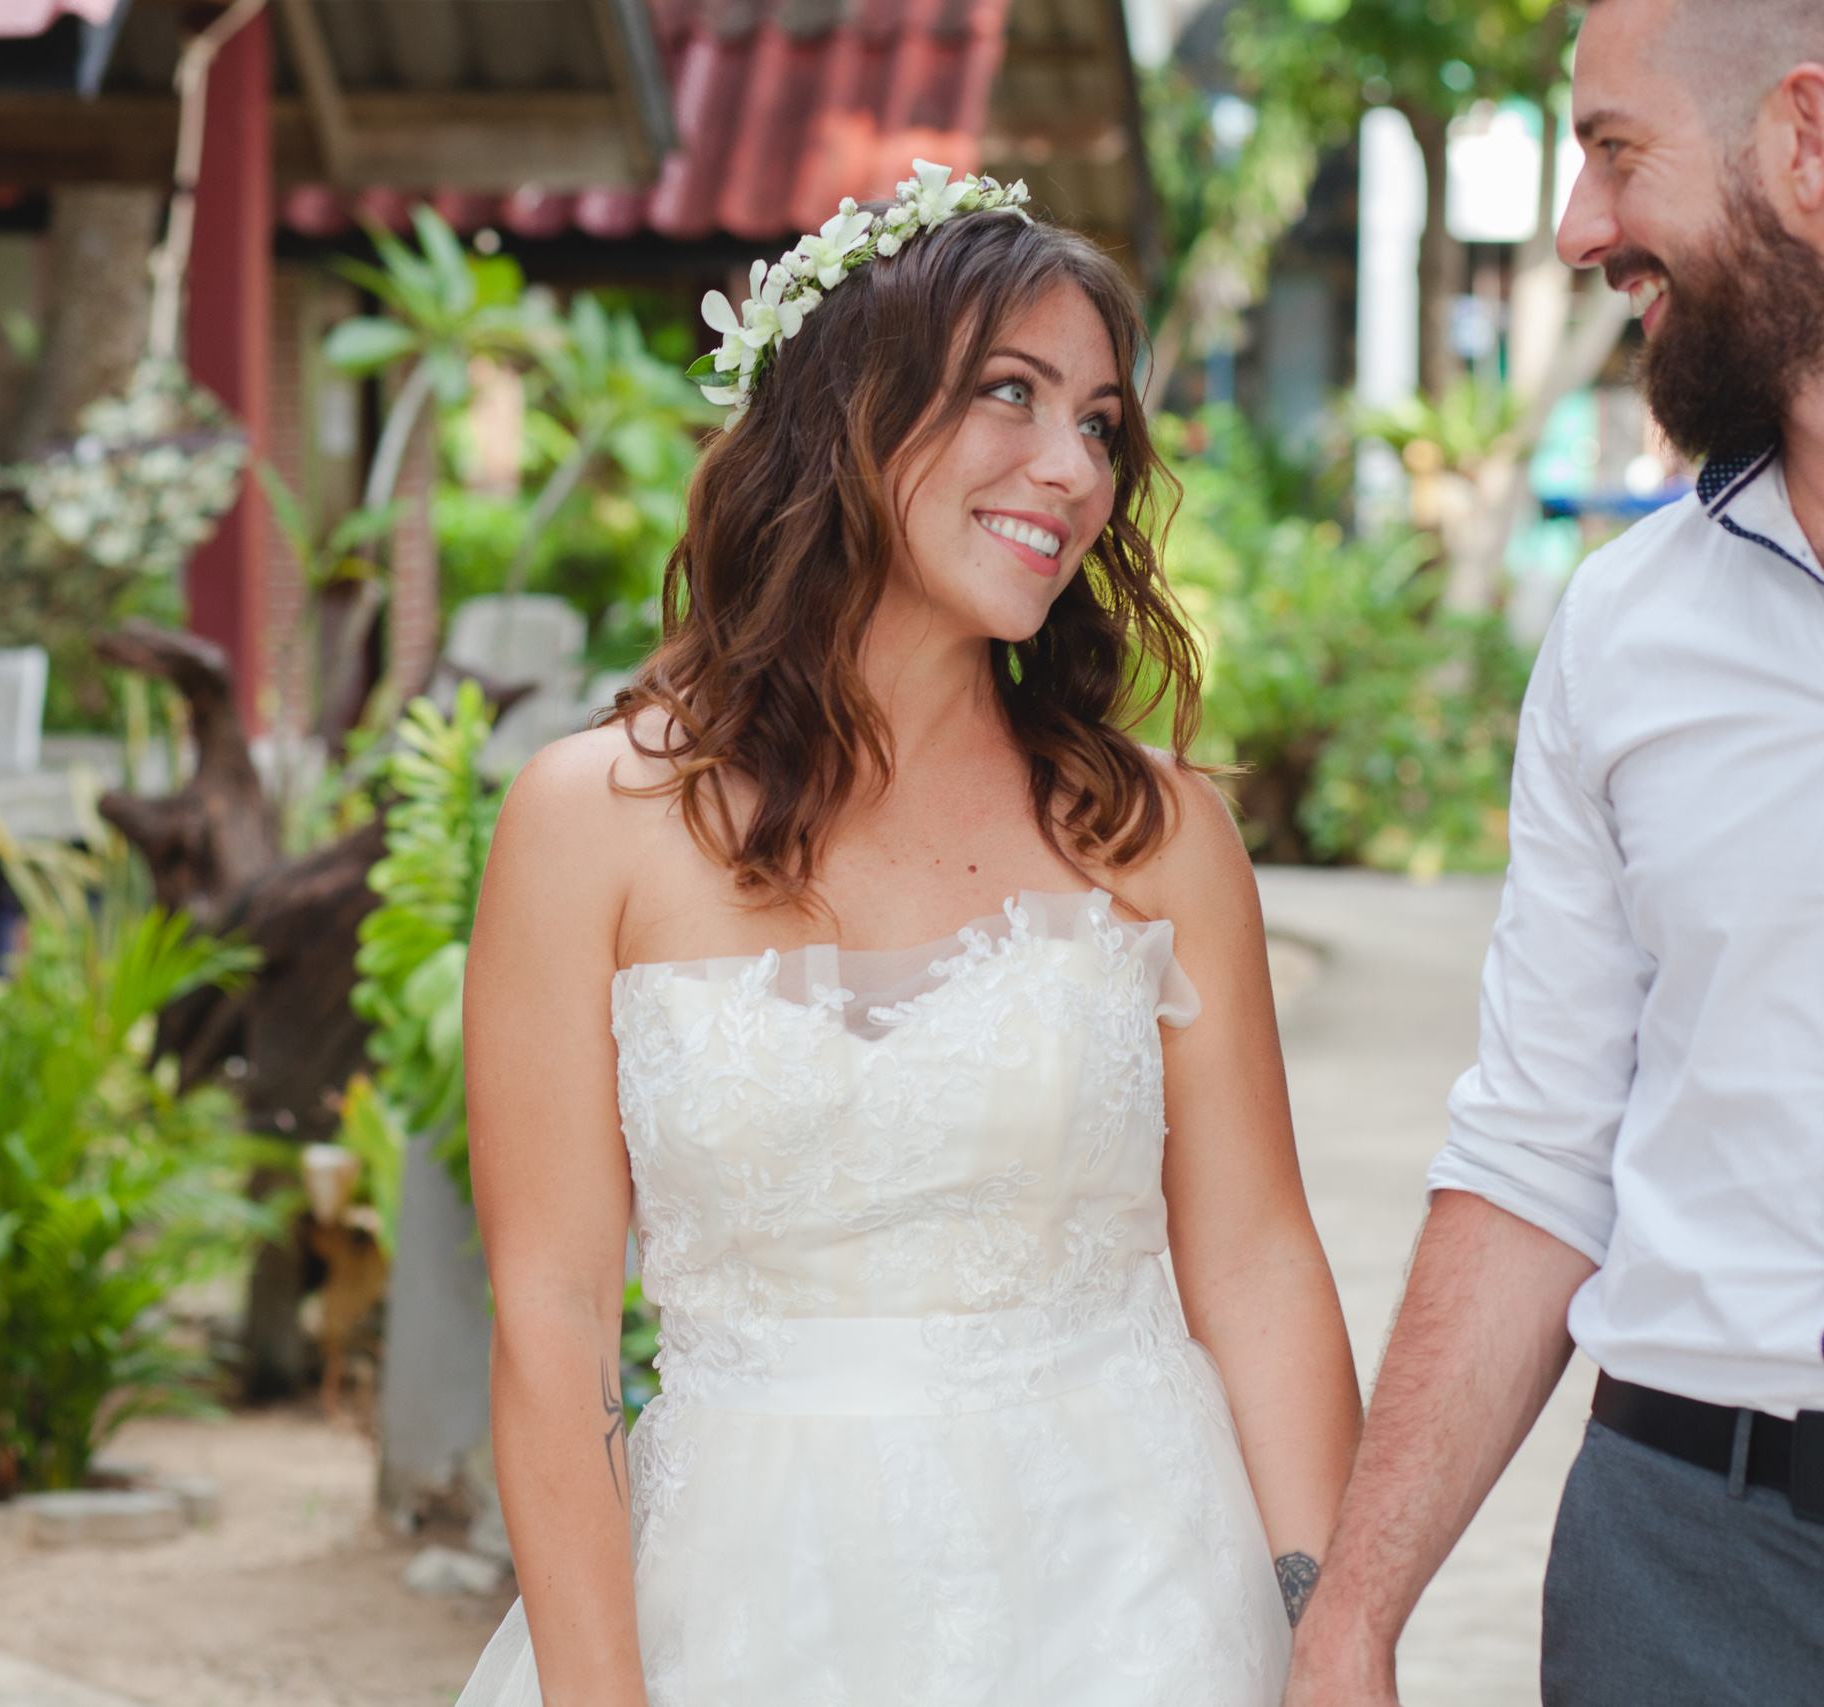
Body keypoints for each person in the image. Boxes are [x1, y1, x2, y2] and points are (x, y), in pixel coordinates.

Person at [1285, 2, 1824, 1704]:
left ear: (1804, 138)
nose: (1579, 230)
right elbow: (1536, 1154)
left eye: (1616, 153)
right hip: (1684, 1590)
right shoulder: (1621, 631)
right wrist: (1353, 1620)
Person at [453, 164, 1363, 1706]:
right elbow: (552, 1320)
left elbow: (1260, 1268)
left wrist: (1332, 1642)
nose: (1071, 468)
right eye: (1011, 393)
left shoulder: (1153, 835)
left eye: (1100, 424)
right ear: (843, 411)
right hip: (735, 1621)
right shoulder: (585, 825)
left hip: (1140, 1608)